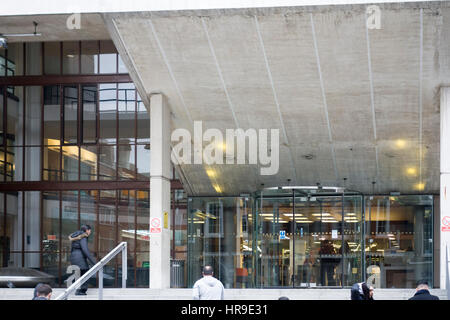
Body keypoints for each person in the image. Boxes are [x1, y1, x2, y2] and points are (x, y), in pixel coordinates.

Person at [69, 224, 97, 296]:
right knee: (85, 273)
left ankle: (77, 289)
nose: (90, 232)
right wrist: (94, 262)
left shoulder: (75, 236)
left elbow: (72, 249)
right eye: (90, 230)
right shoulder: (83, 236)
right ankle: (81, 291)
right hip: (80, 257)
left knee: (79, 274)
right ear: (87, 230)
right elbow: (85, 249)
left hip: (74, 257)